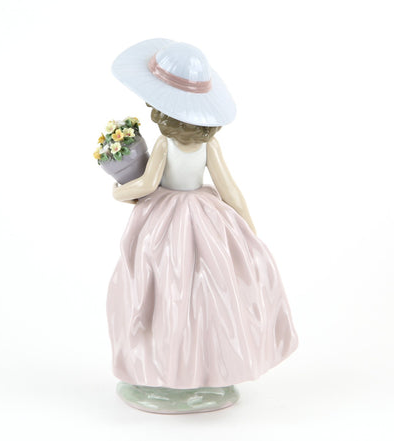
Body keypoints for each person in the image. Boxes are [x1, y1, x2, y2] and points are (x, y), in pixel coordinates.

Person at [107, 39, 298, 414]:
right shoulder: (210, 147)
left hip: (163, 223)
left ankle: (175, 368)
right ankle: (199, 368)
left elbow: (147, 184)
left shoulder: (164, 144)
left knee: (162, 291)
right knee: (207, 293)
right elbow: (230, 190)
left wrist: (119, 191)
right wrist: (248, 229)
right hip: (206, 218)